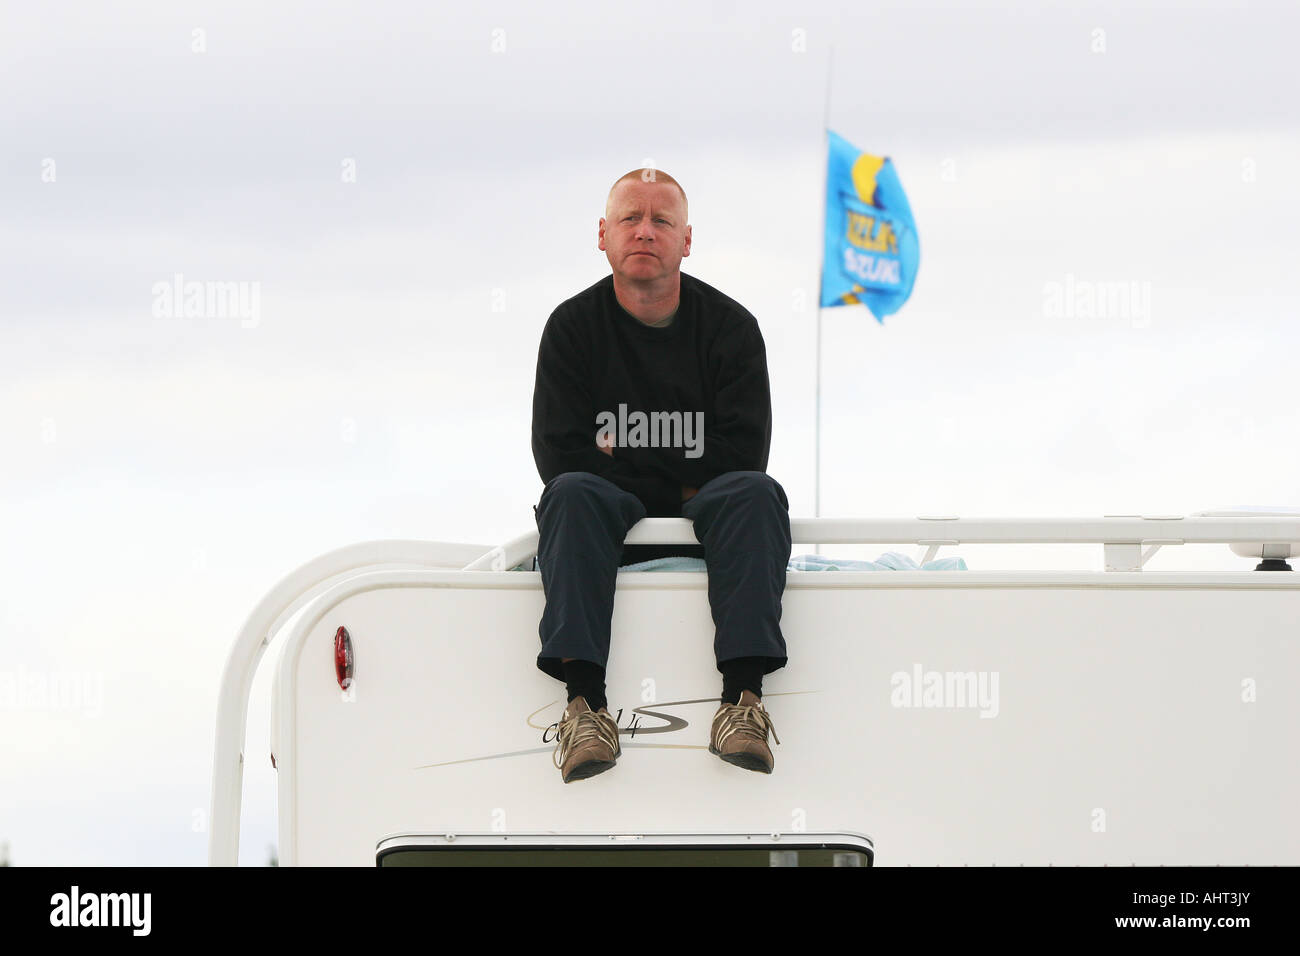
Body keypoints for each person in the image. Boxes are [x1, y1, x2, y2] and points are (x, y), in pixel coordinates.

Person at [530, 167, 792, 783]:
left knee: (756, 494)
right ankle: (585, 709)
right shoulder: (570, 329)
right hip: (600, 517)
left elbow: (745, 456)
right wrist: (680, 483)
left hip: (715, 515)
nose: (644, 232)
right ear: (603, 235)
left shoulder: (731, 329)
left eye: (661, 221)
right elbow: (559, 456)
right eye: (630, 218)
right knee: (570, 495)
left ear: (687, 239)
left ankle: (743, 704)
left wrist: (627, 466)